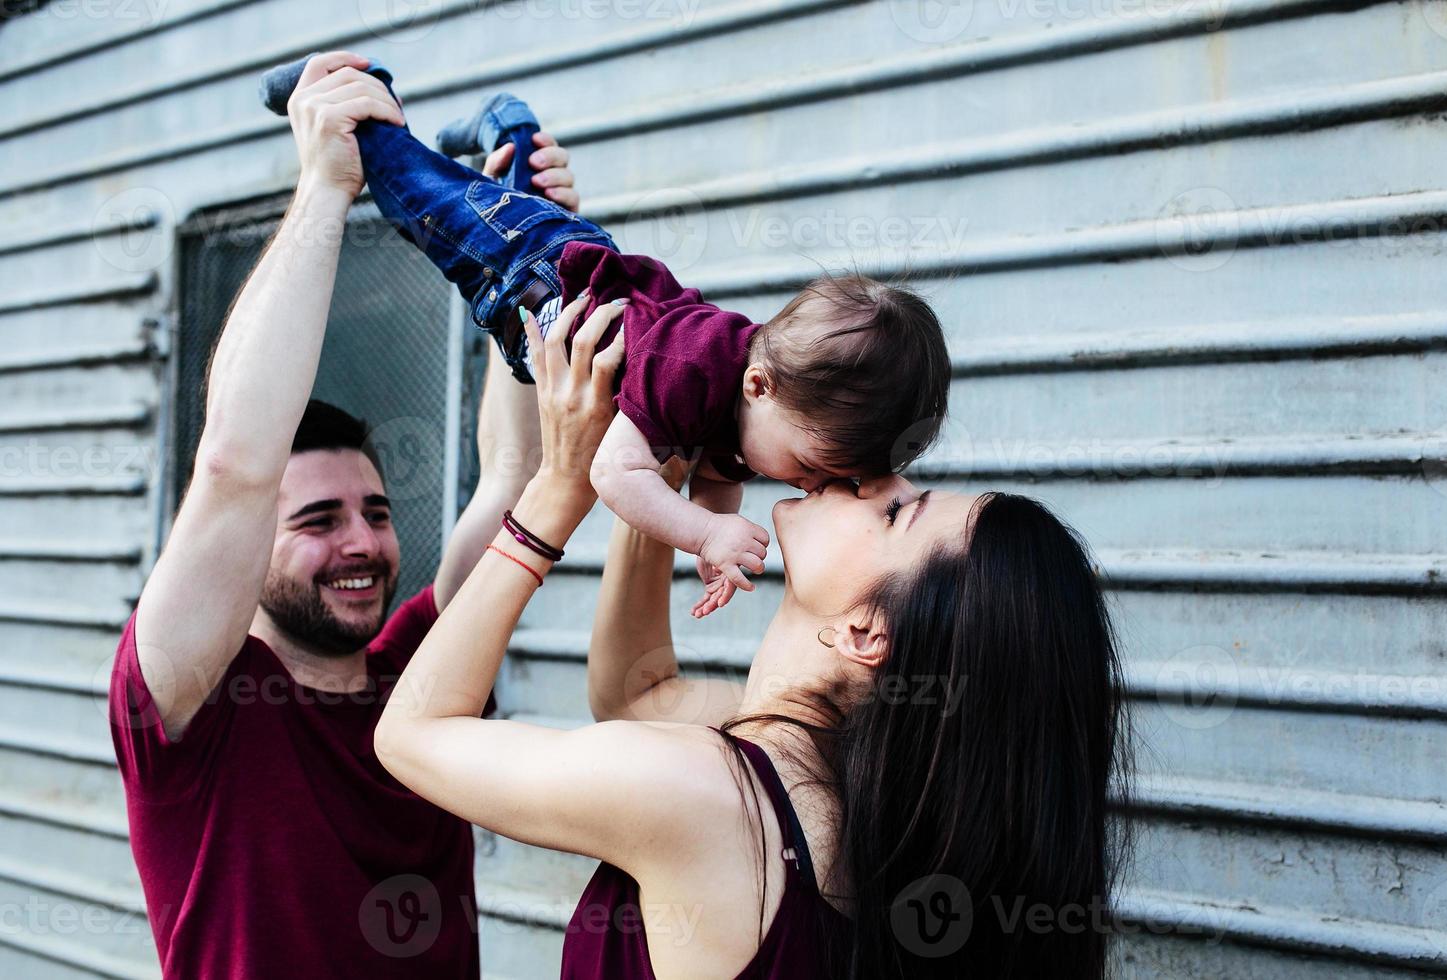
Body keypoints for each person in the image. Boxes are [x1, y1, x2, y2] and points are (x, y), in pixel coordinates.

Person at [373, 285, 1136, 976]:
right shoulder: (847, 790)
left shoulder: (708, 797)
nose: (877, 477)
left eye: (900, 510)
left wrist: (560, 485)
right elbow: (638, 693)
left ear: (867, 635)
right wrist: (664, 459)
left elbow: (411, 733)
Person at [107, 51, 584, 978]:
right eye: (319, 521)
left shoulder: (423, 671)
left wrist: (529, 243)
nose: (362, 542)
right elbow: (237, 467)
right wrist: (327, 186)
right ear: (250, 548)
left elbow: (517, 475)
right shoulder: (187, 701)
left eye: (374, 510)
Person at [259, 52, 953, 617]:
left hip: (551, 294)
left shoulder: (754, 420)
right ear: (759, 384)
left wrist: (708, 545)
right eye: (809, 465)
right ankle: (360, 97)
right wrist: (703, 531)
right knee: (416, 200)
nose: (804, 484)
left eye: (823, 479)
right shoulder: (691, 372)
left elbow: (714, 484)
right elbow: (614, 473)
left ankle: (511, 125)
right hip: (530, 265)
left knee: (503, 191)